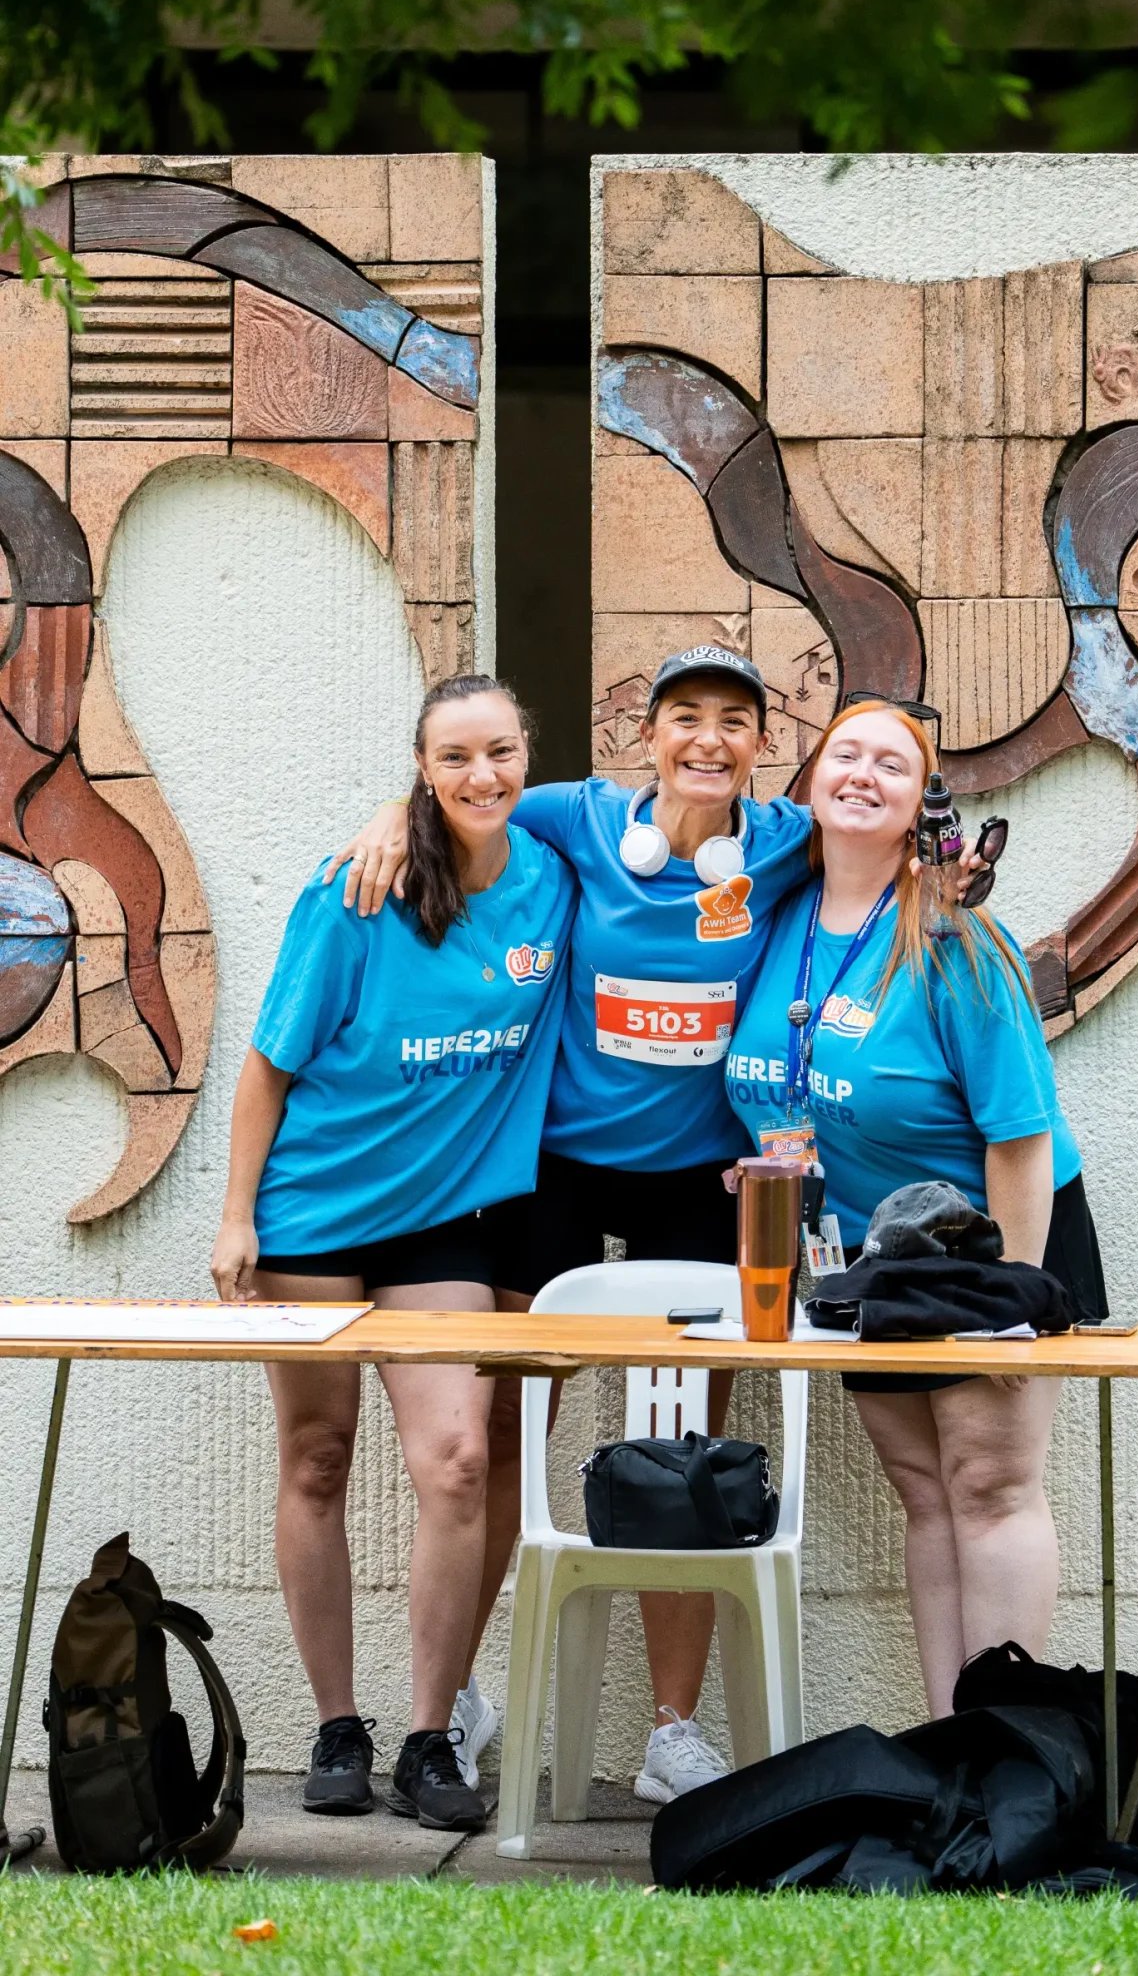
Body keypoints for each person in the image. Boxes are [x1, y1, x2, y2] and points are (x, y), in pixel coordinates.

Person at [333, 649, 988, 1799]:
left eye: (734, 721)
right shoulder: (582, 818)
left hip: (699, 1182)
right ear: (648, 736)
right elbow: (471, 795)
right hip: (557, 1172)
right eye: (685, 716)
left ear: (760, 748)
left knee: (683, 1445)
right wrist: (394, 810)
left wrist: (951, 879)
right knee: (505, 1430)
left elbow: (887, 847)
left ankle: (671, 1733)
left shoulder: (783, 841)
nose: (708, 739)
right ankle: (456, 1705)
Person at [210, 674, 576, 1831]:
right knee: (317, 1457)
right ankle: (335, 1726)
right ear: (420, 767)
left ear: (528, 756)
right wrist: (236, 1217)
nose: (481, 775)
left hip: (441, 1218)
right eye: (454, 756)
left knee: (458, 1459)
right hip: (312, 1212)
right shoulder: (356, 890)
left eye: (500, 751)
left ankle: (428, 1737)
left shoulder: (556, 882)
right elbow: (267, 1066)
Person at [724, 697, 1106, 1722]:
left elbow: (1019, 1133)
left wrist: (1014, 1296)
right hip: (866, 1252)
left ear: (919, 804)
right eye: (843, 753)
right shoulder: (773, 918)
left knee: (989, 1484)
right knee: (924, 1489)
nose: (861, 773)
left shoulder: (953, 935)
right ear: (810, 781)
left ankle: (1008, 1754)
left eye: (890, 764)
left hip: (997, 1239)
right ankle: (952, 1743)